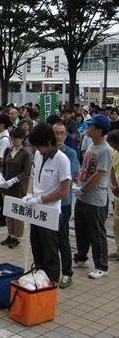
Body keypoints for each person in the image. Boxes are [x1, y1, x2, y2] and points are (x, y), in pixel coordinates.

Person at [24, 122, 71, 283]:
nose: (38, 148)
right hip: (35, 210)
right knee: (36, 248)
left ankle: (51, 284)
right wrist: (30, 193)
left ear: (50, 141)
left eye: (41, 145)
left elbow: (64, 192)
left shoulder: (62, 160)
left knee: (50, 252)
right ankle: (38, 280)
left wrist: (41, 199)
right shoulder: (38, 155)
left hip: (50, 212)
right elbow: (35, 178)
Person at [72, 114, 112, 279]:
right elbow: (85, 168)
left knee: (97, 233)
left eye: (91, 126)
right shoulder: (91, 146)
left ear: (99, 130)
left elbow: (98, 174)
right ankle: (82, 257)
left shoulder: (106, 150)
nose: (88, 128)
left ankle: (102, 266)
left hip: (95, 199)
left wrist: (83, 189)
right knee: (81, 230)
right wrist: (78, 186)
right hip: (82, 197)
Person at [0, 127, 32, 248]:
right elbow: (3, 165)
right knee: (8, 211)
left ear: (22, 139)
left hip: (18, 187)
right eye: (12, 139)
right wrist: (0, 174)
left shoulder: (26, 153)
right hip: (6, 186)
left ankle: (17, 236)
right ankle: (10, 234)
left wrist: (14, 180)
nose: (13, 141)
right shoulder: (8, 150)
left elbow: (26, 172)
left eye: (16, 139)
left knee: (17, 212)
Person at [52, 122, 78, 288]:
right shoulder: (45, 153)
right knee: (48, 238)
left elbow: (70, 177)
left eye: (62, 133)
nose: (59, 137)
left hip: (63, 203)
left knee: (63, 238)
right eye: (55, 133)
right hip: (48, 203)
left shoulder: (70, 154)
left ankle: (67, 272)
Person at [107, 130, 119, 261]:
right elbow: (112, 170)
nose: (116, 149)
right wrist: (115, 186)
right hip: (118, 195)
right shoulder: (115, 153)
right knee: (116, 223)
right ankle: (118, 248)